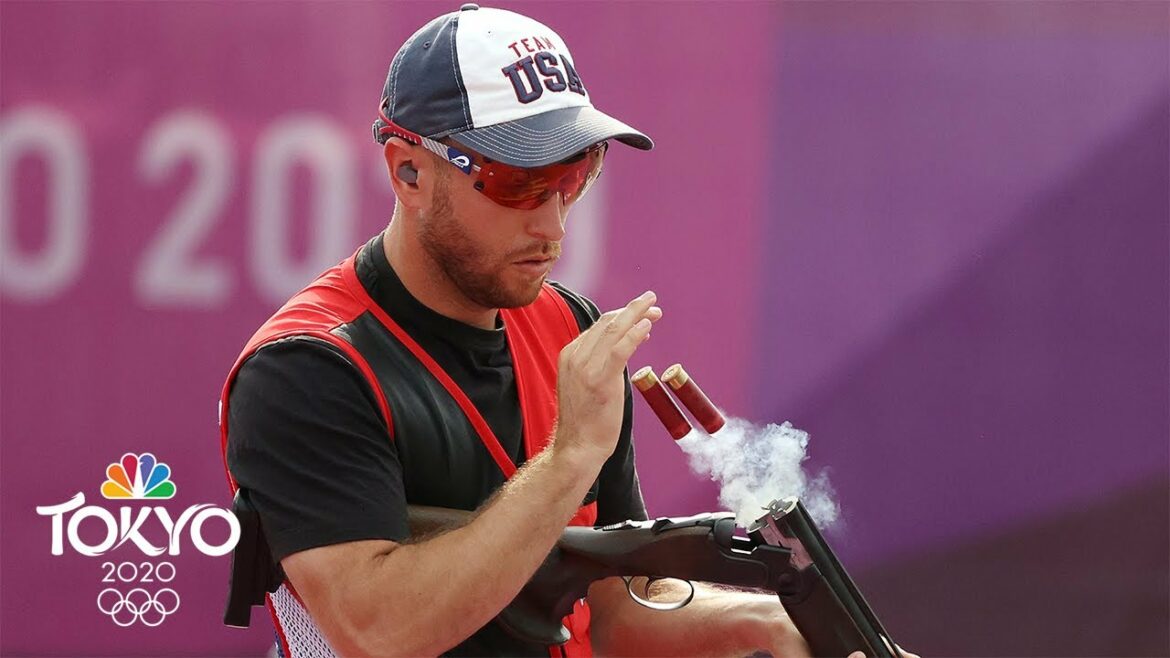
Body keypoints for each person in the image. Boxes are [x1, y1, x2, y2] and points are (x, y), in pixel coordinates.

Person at [220, 5, 917, 657]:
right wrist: (568, 459)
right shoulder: (308, 367)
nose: (552, 225)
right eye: (518, 182)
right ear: (409, 172)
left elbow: (612, 608)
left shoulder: (567, 327)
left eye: (574, 176)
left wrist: (768, 624)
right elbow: (376, 630)